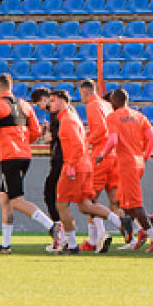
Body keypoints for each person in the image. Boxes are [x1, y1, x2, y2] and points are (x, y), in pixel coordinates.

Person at [0, 74, 61, 254]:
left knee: (16, 200)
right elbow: (35, 132)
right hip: (24, 155)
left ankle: (51, 226)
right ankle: (5, 245)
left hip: (9, 156)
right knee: (5, 198)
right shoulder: (25, 105)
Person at [51, 90, 118, 255]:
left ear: (62, 102)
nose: (49, 104)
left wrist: (72, 165)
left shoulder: (68, 119)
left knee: (61, 204)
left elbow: (78, 145)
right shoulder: (72, 117)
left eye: (52, 101)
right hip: (86, 164)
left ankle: (72, 245)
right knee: (85, 206)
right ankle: (121, 222)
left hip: (75, 166)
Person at [98, 89, 153, 252]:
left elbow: (113, 140)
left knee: (134, 204)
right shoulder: (139, 116)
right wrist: (145, 156)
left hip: (127, 164)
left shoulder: (112, 117)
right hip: (137, 161)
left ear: (115, 101)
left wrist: (102, 155)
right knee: (122, 202)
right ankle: (144, 227)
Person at [79, 80, 125, 246]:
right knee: (115, 199)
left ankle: (96, 238)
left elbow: (101, 130)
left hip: (101, 156)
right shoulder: (106, 105)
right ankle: (134, 234)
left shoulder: (92, 106)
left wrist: (86, 140)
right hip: (114, 155)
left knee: (89, 200)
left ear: (85, 93)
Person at [30, 87, 62, 236]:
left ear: (44, 99)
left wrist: (48, 133)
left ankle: (59, 230)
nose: (40, 108)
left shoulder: (56, 114)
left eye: (39, 104)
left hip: (59, 159)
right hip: (61, 158)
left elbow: (54, 136)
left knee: (50, 194)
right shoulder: (58, 114)